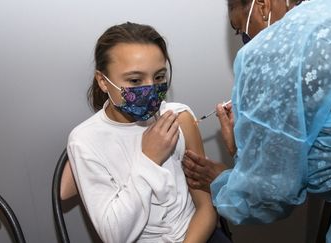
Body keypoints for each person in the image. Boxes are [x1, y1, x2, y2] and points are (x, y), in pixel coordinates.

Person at [182, 0, 331, 241]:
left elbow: (266, 195)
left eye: (240, 27)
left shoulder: (273, 49)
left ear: (262, 5)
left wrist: (228, 172)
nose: (246, 37)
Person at [67, 22, 227, 243]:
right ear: (103, 81)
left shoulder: (179, 118)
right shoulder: (85, 141)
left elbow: (206, 208)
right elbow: (114, 236)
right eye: (135, 80)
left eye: (159, 77)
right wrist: (149, 160)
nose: (151, 89)